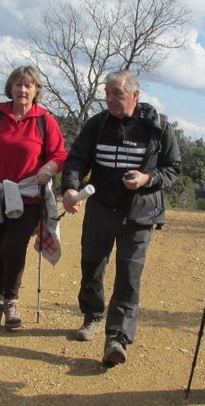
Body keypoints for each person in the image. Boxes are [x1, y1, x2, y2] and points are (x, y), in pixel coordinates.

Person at [61, 70, 181, 368]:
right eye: (107, 93)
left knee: (128, 274)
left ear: (135, 96)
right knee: (92, 265)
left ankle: (117, 338)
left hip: (139, 214)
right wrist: (70, 187)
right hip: (101, 208)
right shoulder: (97, 124)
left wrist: (146, 178)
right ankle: (93, 314)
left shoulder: (158, 127)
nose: (110, 99)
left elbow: (173, 167)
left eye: (117, 93)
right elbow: (77, 158)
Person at [0, 66, 67, 330]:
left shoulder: (45, 120)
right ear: (10, 88)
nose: (22, 89)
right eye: (18, 85)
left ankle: (11, 300)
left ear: (36, 90)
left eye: (28, 85)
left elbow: (59, 155)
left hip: (28, 195)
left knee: (13, 247)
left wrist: (48, 169)